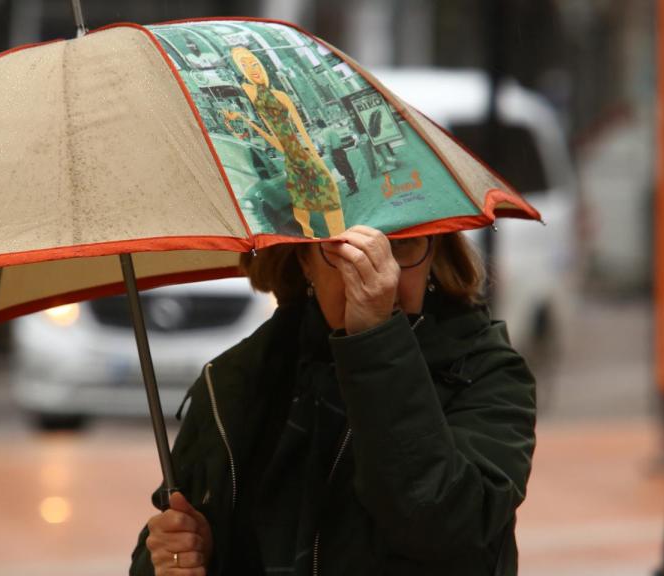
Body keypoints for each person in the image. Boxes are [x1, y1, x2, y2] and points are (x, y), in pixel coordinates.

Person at [129, 225, 536, 575]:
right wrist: (180, 555)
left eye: (403, 244)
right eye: (346, 247)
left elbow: (440, 523)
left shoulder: (483, 371)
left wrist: (375, 339)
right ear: (304, 259)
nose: (382, 272)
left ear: (435, 255)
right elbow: (171, 541)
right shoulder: (236, 381)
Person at [220, 46, 345, 238]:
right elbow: (276, 140)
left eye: (254, 63)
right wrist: (246, 121)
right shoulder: (258, 100)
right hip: (292, 160)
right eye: (245, 66)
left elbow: (301, 132)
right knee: (310, 207)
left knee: (317, 202)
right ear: (242, 72)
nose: (252, 69)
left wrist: (317, 160)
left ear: (261, 65)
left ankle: (336, 238)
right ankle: (329, 239)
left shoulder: (281, 96)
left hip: (300, 157)